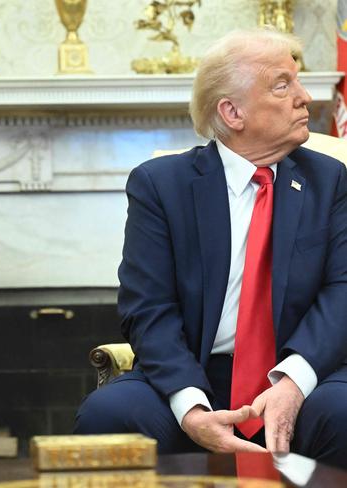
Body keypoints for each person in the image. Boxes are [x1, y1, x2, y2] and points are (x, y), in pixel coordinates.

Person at [74, 28, 347, 467]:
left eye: (298, 80)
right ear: (232, 112)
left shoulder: (330, 181)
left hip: (302, 369)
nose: (304, 96)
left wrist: (293, 382)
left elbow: (343, 291)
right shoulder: (161, 185)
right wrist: (191, 406)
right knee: (109, 415)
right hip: (197, 370)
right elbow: (148, 308)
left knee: (343, 414)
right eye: (283, 84)